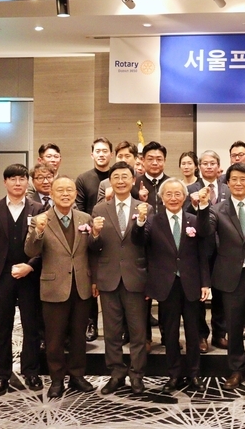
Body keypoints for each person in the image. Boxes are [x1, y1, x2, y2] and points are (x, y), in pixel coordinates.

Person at [131, 178, 211, 393]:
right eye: (168, 194)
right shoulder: (152, 221)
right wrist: (139, 221)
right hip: (166, 285)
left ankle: (194, 374)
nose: (173, 198)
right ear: (161, 198)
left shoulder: (193, 220)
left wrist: (205, 283)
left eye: (177, 194)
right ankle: (174, 374)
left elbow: (202, 252)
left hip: (191, 283)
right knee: (170, 333)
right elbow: (138, 241)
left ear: (184, 197)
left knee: (193, 332)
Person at [198, 163, 245, 390]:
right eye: (234, 179)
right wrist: (202, 207)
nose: (238, 183)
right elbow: (205, 232)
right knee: (234, 325)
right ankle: (236, 369)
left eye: (243, 179)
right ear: (227, 183)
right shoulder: (217, 209)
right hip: (230, 276)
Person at [25, 176, 96, 398]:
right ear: (52, 194)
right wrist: (38, 231)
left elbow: (92, 251)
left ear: (75, 193)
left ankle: (77, 376)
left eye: (69, 190)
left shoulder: (85, 218)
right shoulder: (40, 219)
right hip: (54, 286)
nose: (65, 194)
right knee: (54, 338)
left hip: (81, 285)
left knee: (78, 336)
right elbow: (30, 251)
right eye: (60, 190)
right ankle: (57, 380)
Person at [88, 162, 148, 395]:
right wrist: (94, 234)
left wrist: (150, 281)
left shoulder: (144, 208)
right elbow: (94, 248)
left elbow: (149, 246)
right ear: (109, 182)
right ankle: (116, 373)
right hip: (108, 278)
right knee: (111, 332)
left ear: (133, 180)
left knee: (138, 331)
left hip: (136, 277)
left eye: (125, 177)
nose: (121, 181)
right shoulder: (99, 209)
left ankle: (137, 374)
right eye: (116, 177)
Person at [0, 164, 45, 399]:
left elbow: (45, 244)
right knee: (2, 327)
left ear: (27, 182)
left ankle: (31, 372)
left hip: (29, 274)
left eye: (21, 178)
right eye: (12, 179)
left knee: (31, 325)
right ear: (5, 182)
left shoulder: (39, 208)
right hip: (2, 275)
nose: (17, 183)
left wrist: (30, 266)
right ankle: (1, 376)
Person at [183, 151, 230, 353]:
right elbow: (182, 216)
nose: (209, 166)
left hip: (224, 249)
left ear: (219, 166)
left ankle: (220, 334)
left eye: (213, 163)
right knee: (197, 296)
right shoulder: (189, 189)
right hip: (199, 249)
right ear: (198, 166)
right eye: (205, 163)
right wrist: (194, 206)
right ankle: (201, 335)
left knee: (221, 293)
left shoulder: (228, 189)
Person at [131, 141, 170, 348]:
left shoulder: (171, 184)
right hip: (140, 246)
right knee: (142, 296)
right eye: (150, 159)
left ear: (165, 161)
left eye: (159, 159)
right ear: (143, 160)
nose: (155, 163)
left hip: (166, 248)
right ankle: (144, 337)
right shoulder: (134, 184)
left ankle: (167, 335)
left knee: (166, 295)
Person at [75, 137, 113, 342]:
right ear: (92, 154)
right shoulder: (83, 179)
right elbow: (79, 208)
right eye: (97, 151)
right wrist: (93, 228)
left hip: (115, 236)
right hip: (91, 234)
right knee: (90, 280)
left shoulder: (119, 175)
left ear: (111, 154)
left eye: (105, 151)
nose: (101, 154)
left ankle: (116, 325)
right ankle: (91, 322)